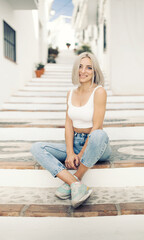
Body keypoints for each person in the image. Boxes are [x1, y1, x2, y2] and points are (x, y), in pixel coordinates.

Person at [30, 52, 111, 208]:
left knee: (99, 134)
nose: (83, 71)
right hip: (75, 142)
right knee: (37, 148)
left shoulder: (99, 92)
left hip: (97, 145)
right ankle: (75, 184)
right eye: (80, 67)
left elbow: (97, 126)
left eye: (89, 67)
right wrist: (70, 153)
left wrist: (80, 154)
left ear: (95, 71)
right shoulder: (70, 93)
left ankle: (76, 178)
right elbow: (68, 124)